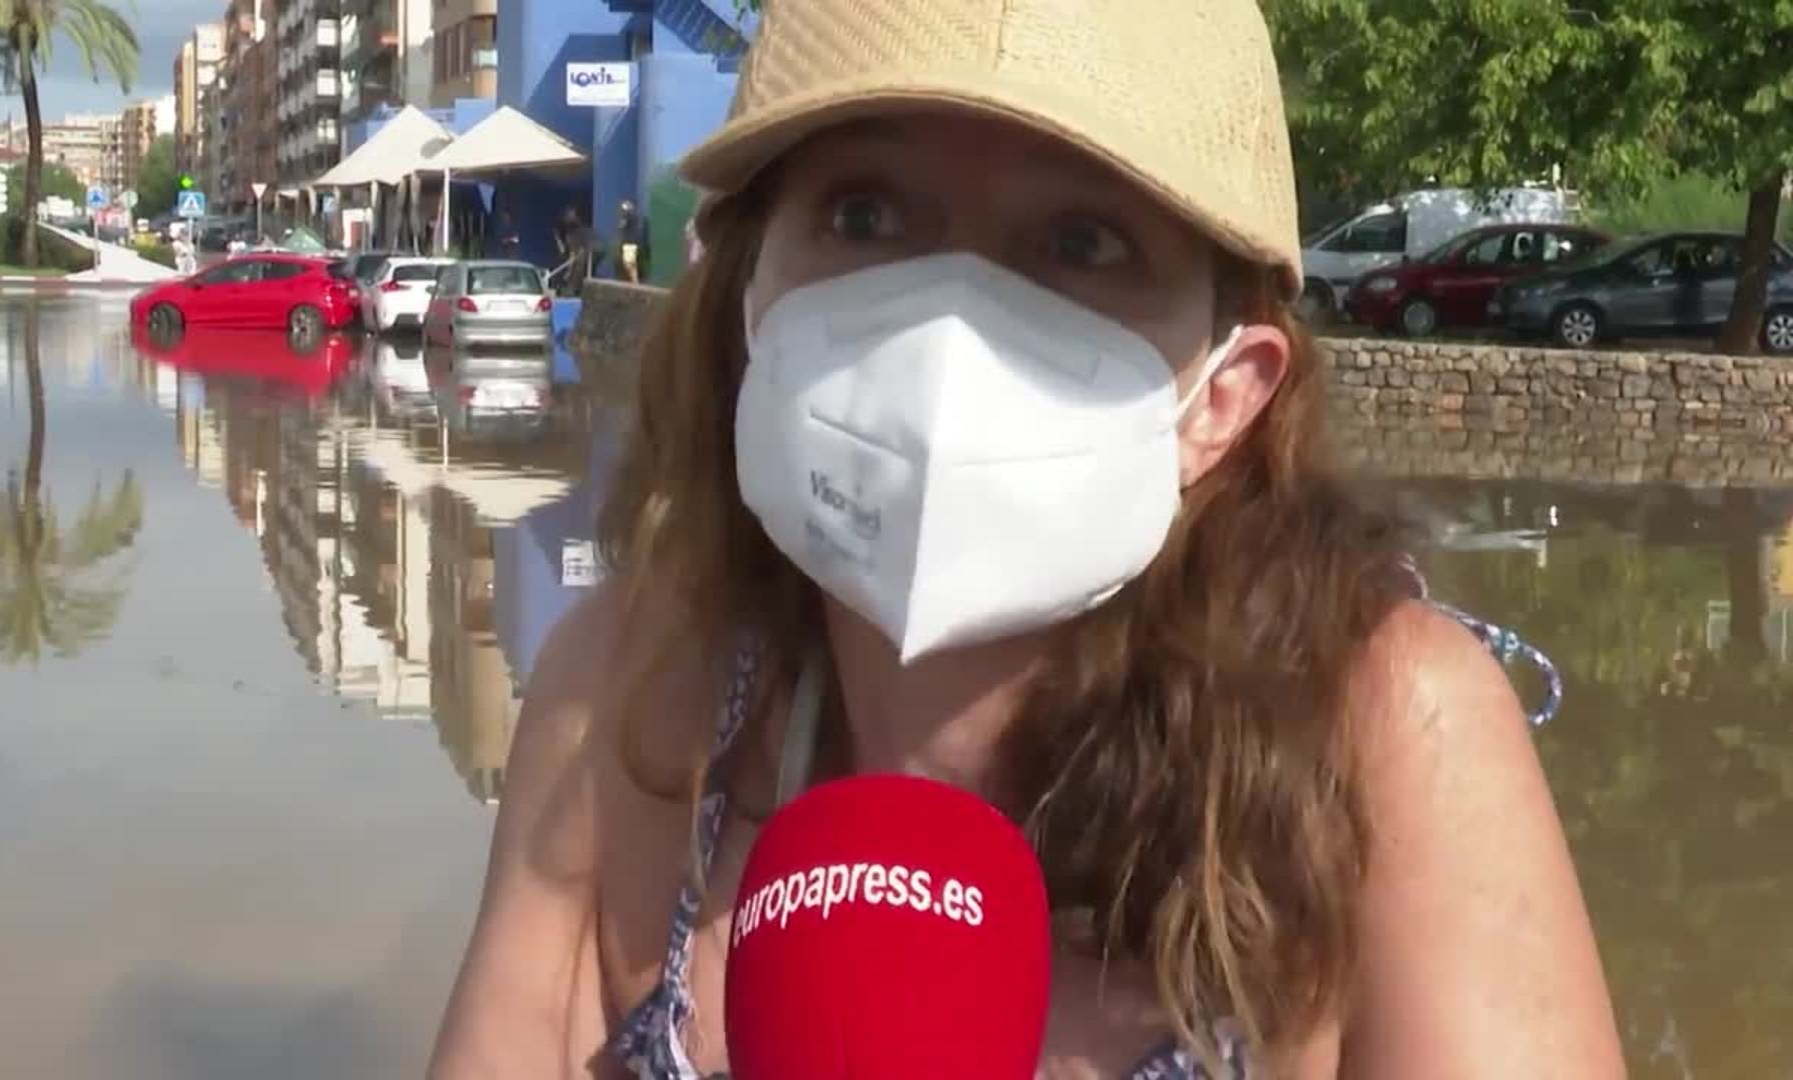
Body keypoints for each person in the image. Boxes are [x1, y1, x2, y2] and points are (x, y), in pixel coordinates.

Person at [429, 1, 1626, 1078]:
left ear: (1224, 393)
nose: (949, 327)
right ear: (748, 298)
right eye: (865, 213)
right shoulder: (624, 706)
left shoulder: (1387, 738)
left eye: (1082, 242)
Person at [615, 199, 647, 283]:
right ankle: (635, 281)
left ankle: (635, 282)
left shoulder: (629, 216)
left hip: (630, 243)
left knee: (628, 263)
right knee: (630, 264)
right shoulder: (635, 217)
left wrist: (624, 214)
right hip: (631, 243)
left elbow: (622, 225)